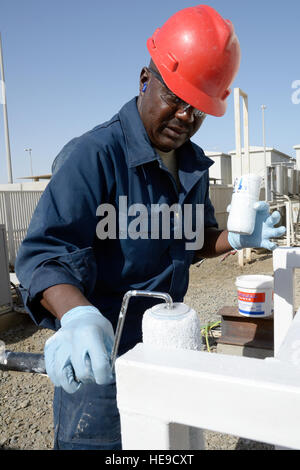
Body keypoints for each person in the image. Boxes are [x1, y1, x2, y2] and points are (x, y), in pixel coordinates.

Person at [15, 5, 285, 450]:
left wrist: (234, 238)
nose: (184, 116)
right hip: (100, 354)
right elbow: (45, 253)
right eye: (175, 97)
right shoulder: (94, 157)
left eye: (198, 107)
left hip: (167, 345)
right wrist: (77, 316)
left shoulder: (193, 166)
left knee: (167, 446)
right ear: (145, 79)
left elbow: (190, 241)